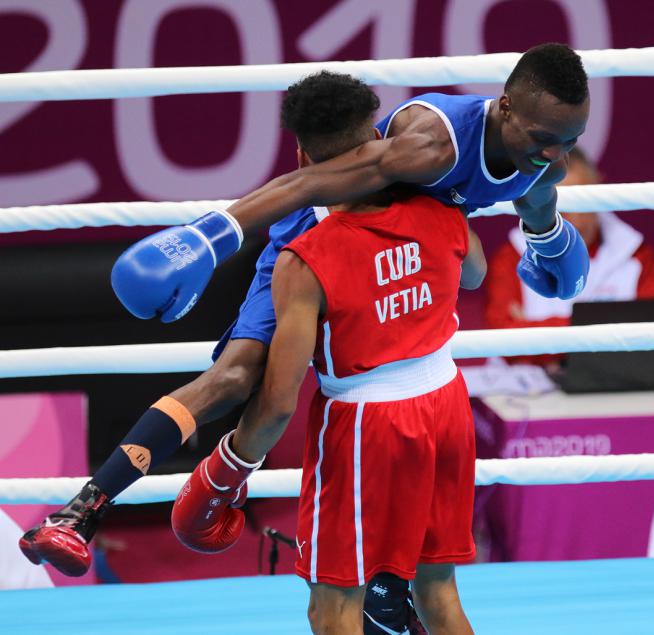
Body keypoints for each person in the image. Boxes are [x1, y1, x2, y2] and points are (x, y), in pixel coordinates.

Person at [22, 39, 589, 627]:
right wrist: (209, 238)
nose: (554, 151)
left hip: (404, 247)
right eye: (543, 136)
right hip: (330, 236)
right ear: (503, 108)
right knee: (237, 376)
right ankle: (81, 510)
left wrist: (550, 242)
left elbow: (533, 205)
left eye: (568, 139)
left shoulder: (545, 156)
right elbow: (308, 187)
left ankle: (384, 585)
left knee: (381, 411)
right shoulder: (431, 145)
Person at [169, 96, 484, 632]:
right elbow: (474, 273)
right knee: (437, 591)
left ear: (301, 160)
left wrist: (227, 469)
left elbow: (278, 402)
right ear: (376, 146)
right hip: (447, 403)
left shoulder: (306, 259)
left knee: (335, 605)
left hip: (366, 426)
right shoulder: (441, 210)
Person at [484, 145, 654, 366]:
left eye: (587, 204)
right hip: (529, 396)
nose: (579, 222)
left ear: (600, 189)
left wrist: (538, 333)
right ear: (542, 205)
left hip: (618, 393)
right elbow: (506, 343)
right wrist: (610, 330)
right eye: (565, 209)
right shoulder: (513, 255)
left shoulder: (639, 255)